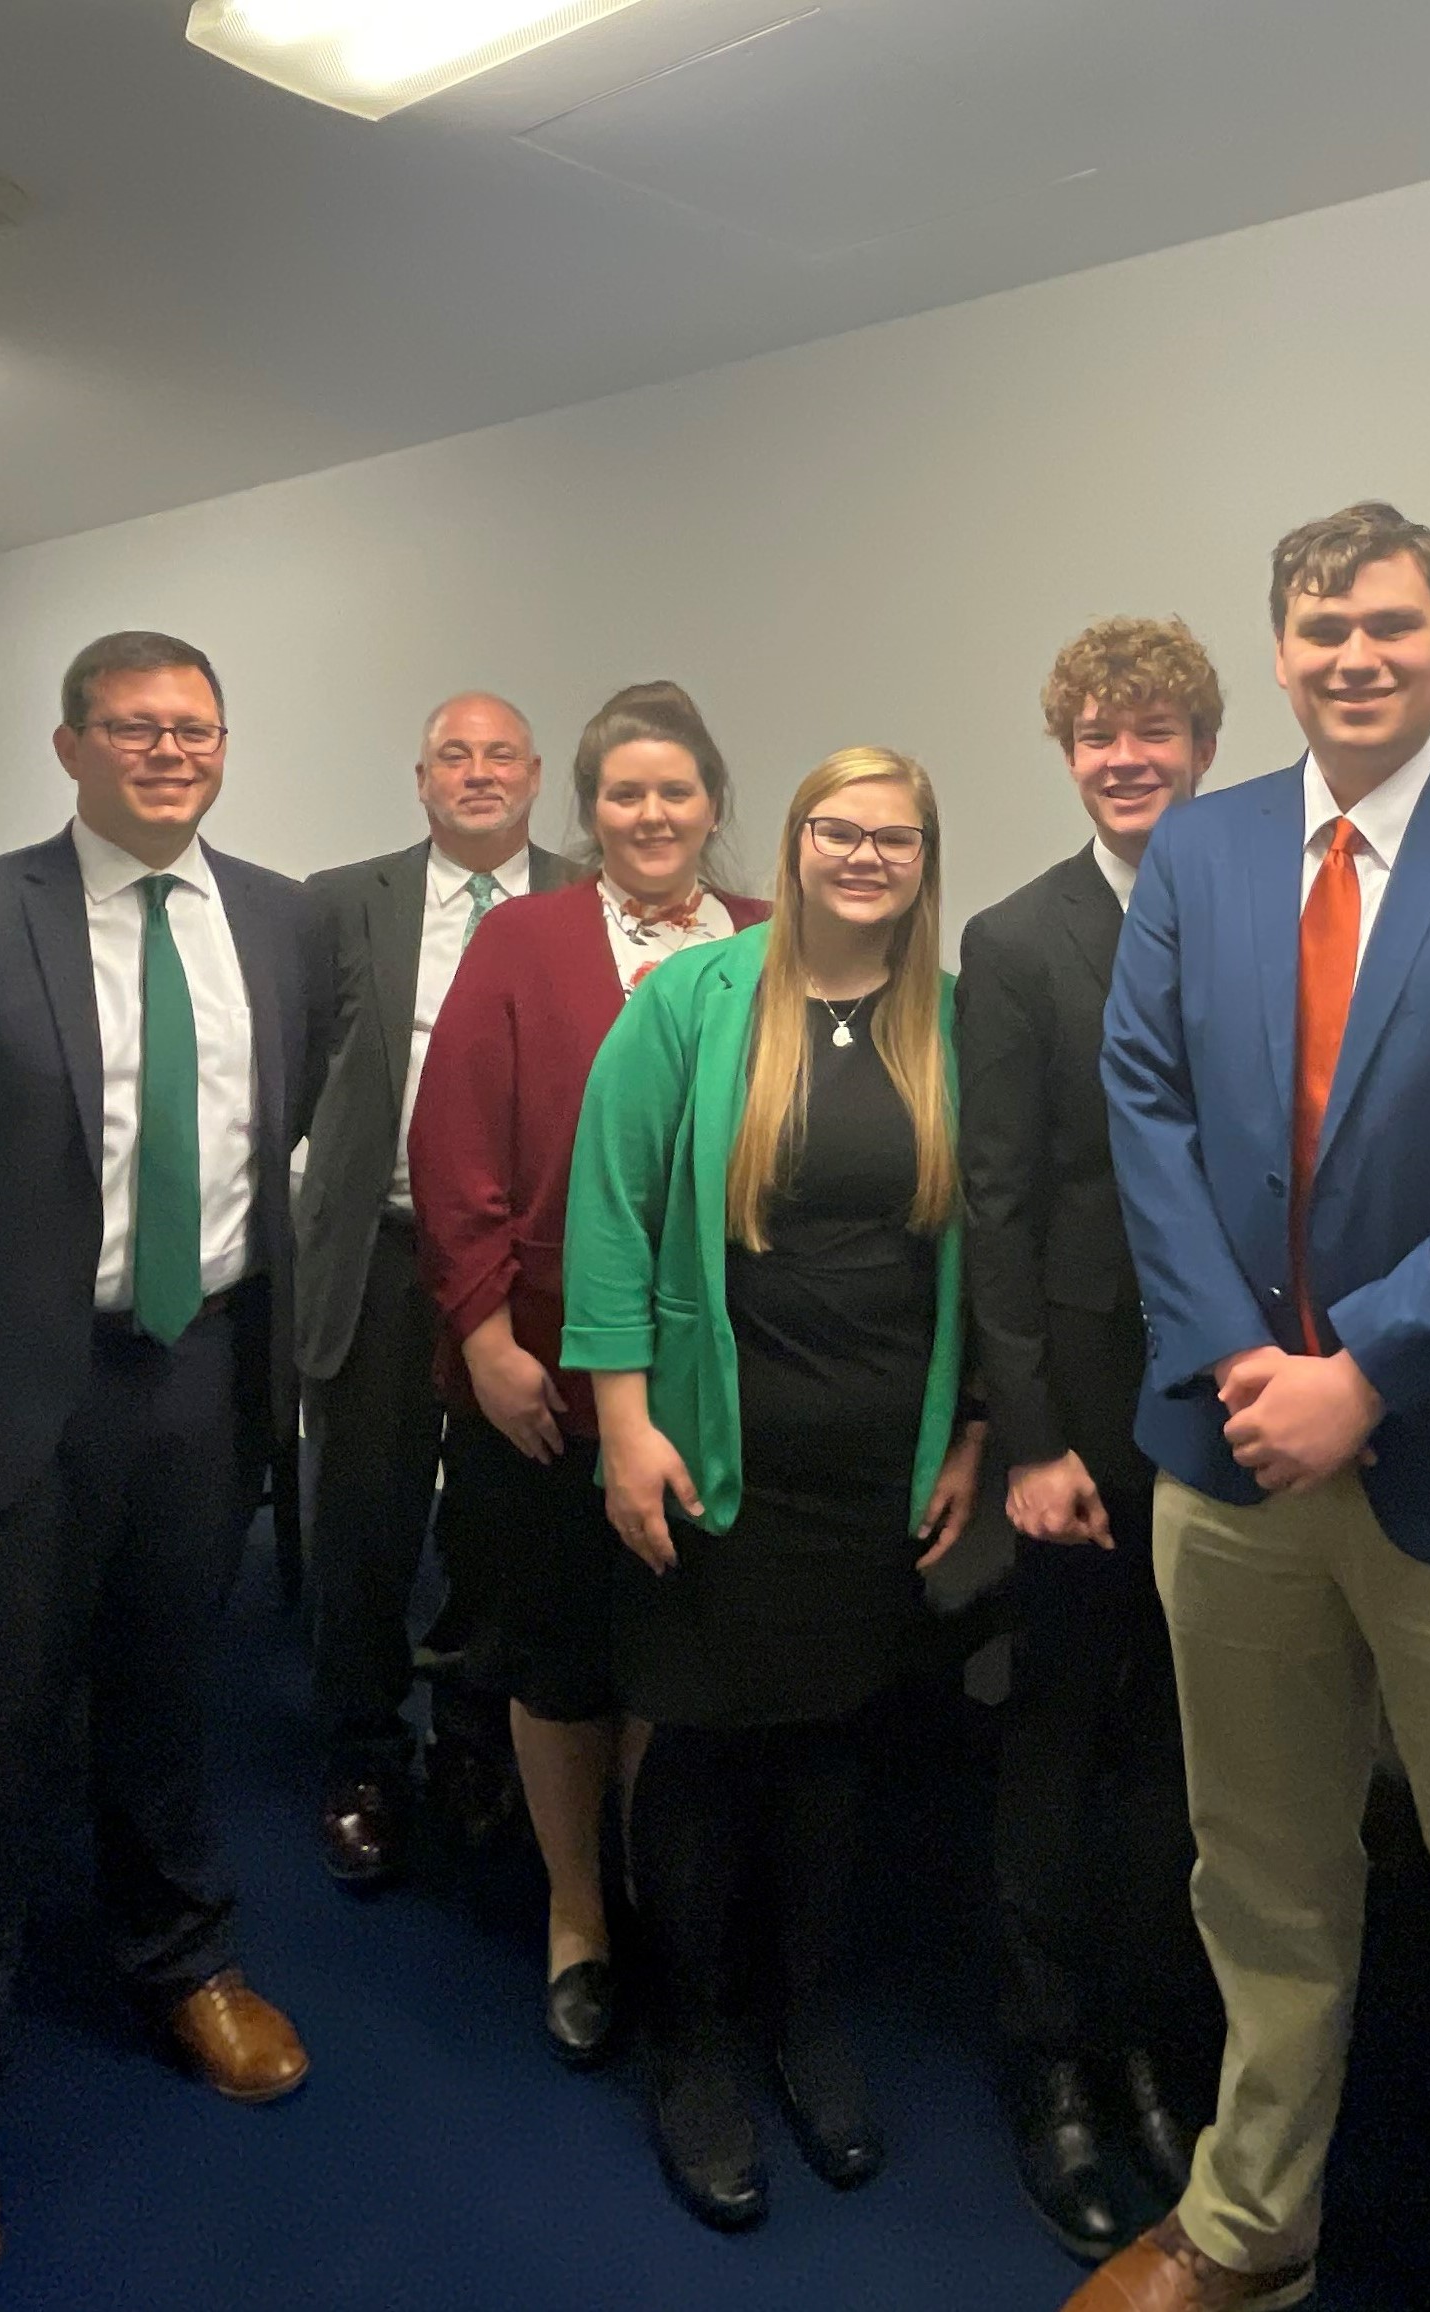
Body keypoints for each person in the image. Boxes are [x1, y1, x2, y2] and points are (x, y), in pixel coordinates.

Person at [1079, 505, 1430, 2312]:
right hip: (1230, 1461)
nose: (1353, 654)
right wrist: (1242, 1367)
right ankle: (1249, 2229)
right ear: (1277, 651)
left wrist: (1366, 1372)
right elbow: (1143, 1106)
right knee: (1256, 1883)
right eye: (1320, 627)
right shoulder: (1200, 853)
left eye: (1389, 624)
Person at [0, 631, 332, 2305]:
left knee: (173, 1688)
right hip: (0, 1386)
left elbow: (276, 1123)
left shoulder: (279, 919)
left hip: (196, 1375)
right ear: (70, 743)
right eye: (134, 725)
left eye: (196, 726)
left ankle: (180, 1956)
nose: (168, 750)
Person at [563, 746, 985, 2232]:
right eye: (836, 830)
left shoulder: (951, 1024)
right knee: (701, 1740)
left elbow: (979, 1254)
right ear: (795, 844)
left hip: (876, 1460)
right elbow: (606, 1211)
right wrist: (621, 1419)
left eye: (893, 837)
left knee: (826, 1746)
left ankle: (805, 2025)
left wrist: (970, 1435)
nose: (863, 856)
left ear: (925, 861)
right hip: (711, 1448)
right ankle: (690, 2047)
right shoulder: (692, 998)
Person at [408, 681, 765, 2065]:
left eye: (676, 791)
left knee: (672, 1654)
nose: (652, 814)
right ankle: (575, 1913)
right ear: (591, 812)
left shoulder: (768, 944)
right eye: (624, 793)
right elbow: (455, 1155)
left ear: (715, 806)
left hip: (716, 1378)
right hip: (544, 1376)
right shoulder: (524, 938)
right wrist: (486, 1336)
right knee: (555, 1650)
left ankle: (645, 1873)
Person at [959, 616, 1227, 2259]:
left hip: (1233, 1406)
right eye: (1092, 734)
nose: (1123, 755)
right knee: (1061, 1731)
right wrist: (1027, 1440)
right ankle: (1047, 2060)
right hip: (1078, 1408)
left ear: (1199, 745)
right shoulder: (1015, 936)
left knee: (1187, 1751)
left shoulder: (1258, 913)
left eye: (1151, 730)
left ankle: (1148, 2043)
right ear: (1065, 754)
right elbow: (992, 1203)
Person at [295, 692, 571, 1888]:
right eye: (451, 755)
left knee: (500, 1519)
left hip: (532, 1265)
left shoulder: (588, 897)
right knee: (365, 1511)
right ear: (419, 779)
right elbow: (295, 1064)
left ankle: (473, 1738)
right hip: (386, 1252)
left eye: (498, 753)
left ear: (535, 774)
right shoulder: (338, 902)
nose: (476, 772)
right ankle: (364, 1754)